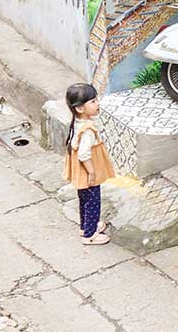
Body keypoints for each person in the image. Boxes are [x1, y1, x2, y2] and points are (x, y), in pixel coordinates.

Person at [62, 83, 116, 246]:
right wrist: (92, 172)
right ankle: (90, 235)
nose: (97, 104)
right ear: (80, 108)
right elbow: (84, 154)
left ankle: (85, 226)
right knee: (93, 201)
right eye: (93, 101)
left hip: (81, 172)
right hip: (87, 171)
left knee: (84, 200)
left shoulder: (77, 124)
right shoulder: (87, 130)